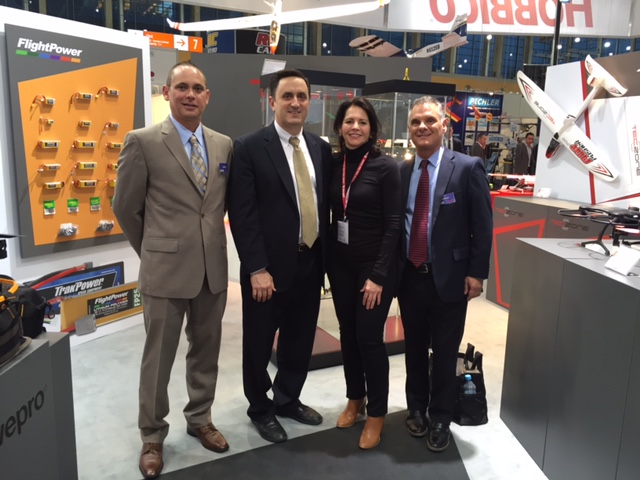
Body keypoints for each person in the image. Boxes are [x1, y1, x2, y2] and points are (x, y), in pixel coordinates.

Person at [113, 61, 233, 479]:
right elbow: (125, 206)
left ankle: (200, 418)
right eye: (181, 87)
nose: (190, 95)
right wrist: (151, 249)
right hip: (164, 272)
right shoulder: (143, 141)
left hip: (212, 271)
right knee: (158, 358)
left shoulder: (223, 145)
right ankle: (152, 435)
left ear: (207, 96)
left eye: (197, 88)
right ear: (166, 93)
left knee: (206, 353)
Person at [227, 69, 332, 444]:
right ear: (272, 101)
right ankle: (260, 408)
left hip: (310, 263)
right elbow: (243, 214)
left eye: (302, 96)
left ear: (310, 101)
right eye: (287, 96)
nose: (295, 103)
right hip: (267, 271)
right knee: (258, 343)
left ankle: (288, 399)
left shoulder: (320, 148)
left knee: (299, 340)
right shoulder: (250, 147)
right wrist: (256, 268)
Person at [397, 96, 492, 453]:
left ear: (444, 126)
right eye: (416, 122)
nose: (423, 127)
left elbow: (482, 226)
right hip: (410, 277)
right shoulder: (402, 171)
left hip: (450, 278)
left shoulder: (468, 168)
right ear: (410, 130)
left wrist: (477, 273)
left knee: (446, 348)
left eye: (429, 121)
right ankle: (416, 409)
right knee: (415, 350)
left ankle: (440, 417)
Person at [326, 97, 400, 449]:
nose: (355, 127)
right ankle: (355, 397)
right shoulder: (335, 163)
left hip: (373, 268)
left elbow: (393, 224)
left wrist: (379, 275)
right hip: (340, 265)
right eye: (349, 121)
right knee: (347, 334)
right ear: (339, 127)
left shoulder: (386, 168)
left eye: (362, 122)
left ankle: (377, 414)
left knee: (369, 338)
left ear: (372, 129)